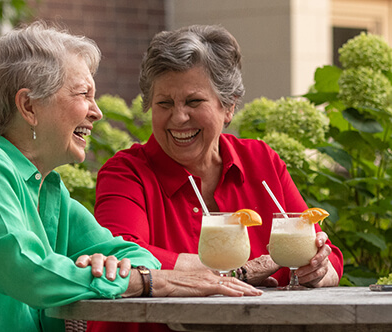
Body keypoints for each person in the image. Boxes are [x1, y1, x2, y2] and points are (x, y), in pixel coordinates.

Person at [0, 22, 263, 332]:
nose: (97, 111)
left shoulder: (45, 186)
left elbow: (124, 250)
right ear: (28, 106)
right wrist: (147, 281)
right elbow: (32, 271)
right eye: (84, 94)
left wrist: (121, 267)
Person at [89, 25, 344, 332]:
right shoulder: (127, 172)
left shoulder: (260, 161)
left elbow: (321, 254)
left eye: (194, 102)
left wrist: (317, 270)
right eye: (164, 103)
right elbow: (122, 254)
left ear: (229, 107)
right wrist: (243, 272)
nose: (179, 117)